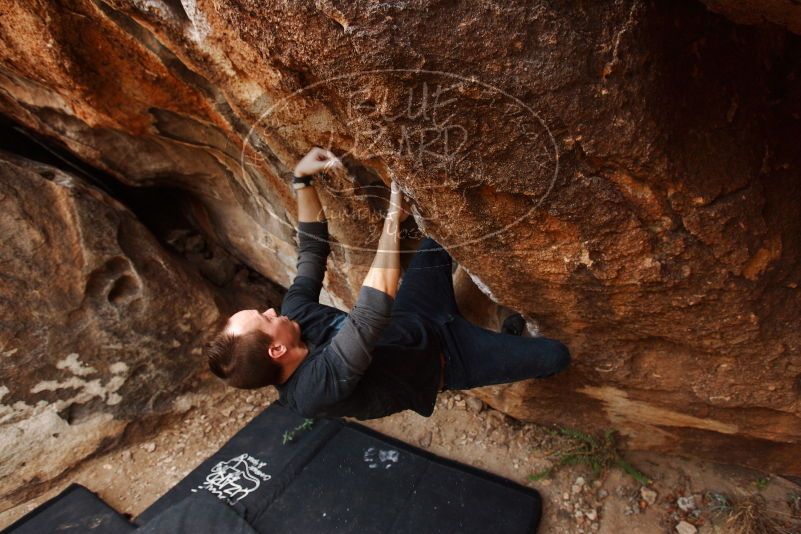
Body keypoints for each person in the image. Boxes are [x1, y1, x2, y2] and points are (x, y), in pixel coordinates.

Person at [205, 147, 571, 420]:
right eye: (265, 319)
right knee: (556, 356)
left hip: (416, 314)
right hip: (450, 360)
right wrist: (395, 215)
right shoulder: (313, 391)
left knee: (442, 235)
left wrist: (302, 180)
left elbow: (312, 254)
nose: (272, 310)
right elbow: (368, 315)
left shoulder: (295, 317)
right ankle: (505, 344)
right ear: (276, 351)